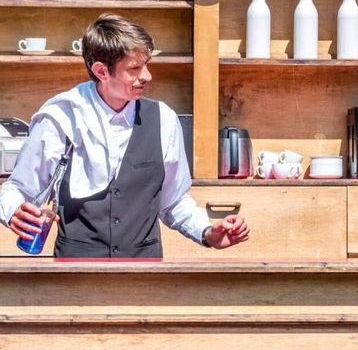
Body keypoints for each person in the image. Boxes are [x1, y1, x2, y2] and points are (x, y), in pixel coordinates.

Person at [0, 14, 249, 257]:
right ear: (101, 71)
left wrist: (208, 232)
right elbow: (18, 189)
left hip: (144, 276)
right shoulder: (62, 118)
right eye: (134, 68)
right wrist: (13, 211)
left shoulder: (163, 119)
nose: (147, 76)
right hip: (73, 275)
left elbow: (173, 201)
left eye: (146, 65)